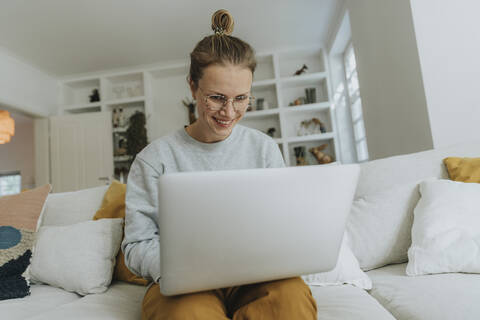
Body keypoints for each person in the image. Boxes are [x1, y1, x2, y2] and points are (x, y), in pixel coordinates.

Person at [122, 9, 317, 320]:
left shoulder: (264, 149)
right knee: (188, 314)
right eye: (216, 97)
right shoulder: (154, 159)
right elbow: (137, 245)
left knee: (291, 299)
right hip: (185, 284)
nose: (229, 112)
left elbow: (281, 226)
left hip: (256, 276)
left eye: (241, 98)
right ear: (192, 88)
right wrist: (184, 268)